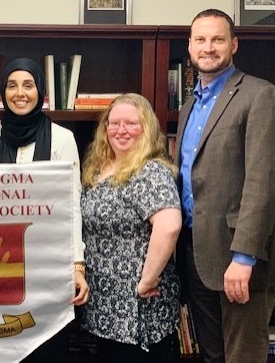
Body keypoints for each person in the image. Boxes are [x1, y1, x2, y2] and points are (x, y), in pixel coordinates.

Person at [175, 9, 275, 363]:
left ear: (233, 44)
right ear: (189, 46)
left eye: (217, 39)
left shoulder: (259, 96)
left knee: (243, 357)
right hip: (195, 254)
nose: (208, 48)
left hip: (238, 258)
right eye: (200, 40)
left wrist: (244, 256)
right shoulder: (189, 105)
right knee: (213, 356)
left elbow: (264, 182)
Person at [0, 57, 89, 363]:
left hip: (47, 259)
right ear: (2, 93)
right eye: (12, 86)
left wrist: (77, 265)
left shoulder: (62, 138)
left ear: (40, 91)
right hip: (0, 260)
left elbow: (71, 204)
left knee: (45, 347)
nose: (20, 93)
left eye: (28, 85)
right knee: (1, 346)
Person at [80, 93, 181, 363]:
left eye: (131, 124)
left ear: (146, 129)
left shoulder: (150, 172)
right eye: (114, 123)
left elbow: (169, 226)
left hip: (136, 312)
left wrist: (147, 280)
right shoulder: (97, 169)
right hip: (103, 308)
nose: (121, 130)